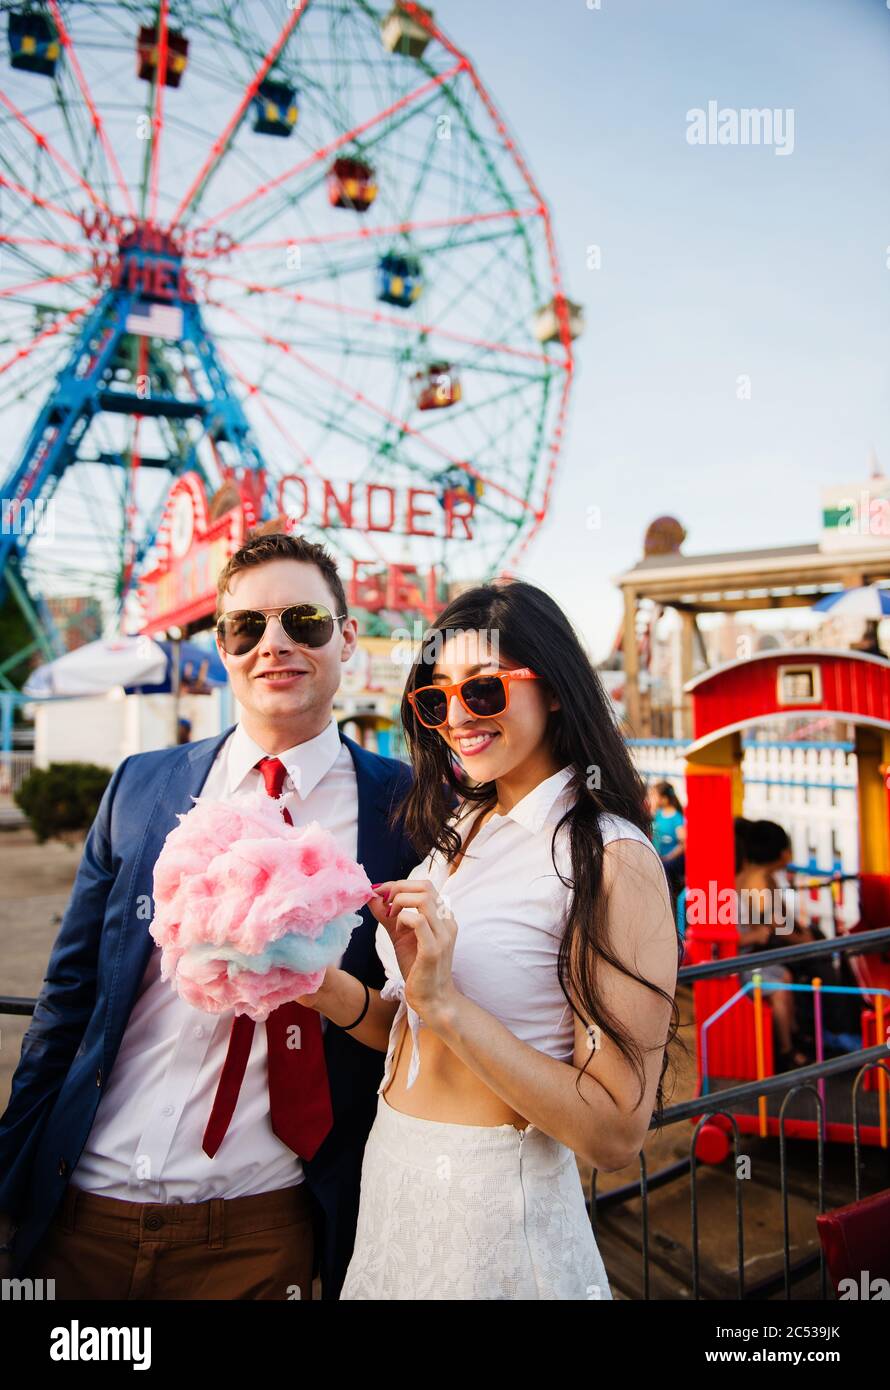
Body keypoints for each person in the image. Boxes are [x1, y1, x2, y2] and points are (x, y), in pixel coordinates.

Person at [0, 532, 417, 1300]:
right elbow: (67, 1003)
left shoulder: (410, 809)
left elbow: (428, 1022)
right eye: (245, 627)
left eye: (304, 621)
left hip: (265, 1229)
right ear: (221, 645)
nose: (274, 645)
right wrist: (9, 1179)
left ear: (348, 636)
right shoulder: (140, 787)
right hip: (86, 1205)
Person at [305, 578, 681, 1299]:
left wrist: (447, 1004)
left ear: (559, 689)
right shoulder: (455, 836)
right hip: (394, 1185)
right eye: (436, 698)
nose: (456, 717)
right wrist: (319, 986)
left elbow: (615, 1132)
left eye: (484, 691)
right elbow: (412, 1030)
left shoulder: (609, 859)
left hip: (495, 1218)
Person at [735, 819, 814, 1070]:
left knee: (790, 971)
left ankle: (796, 1031)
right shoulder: (759, 882)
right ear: (781, 852)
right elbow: (777, 926)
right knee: (792, 979)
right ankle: (787, 1050)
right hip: (751, 955)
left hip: (757, 949)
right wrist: (805, 941)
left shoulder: (757, 876)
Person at [651, 781, 686, 897]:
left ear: (664, 799)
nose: (652, 798)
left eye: (654, 795)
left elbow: (683, 844)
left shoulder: (677, 818)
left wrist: (668, 857)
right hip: (659, 857)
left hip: (670, 862)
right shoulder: (658, 814)